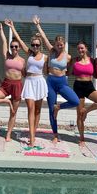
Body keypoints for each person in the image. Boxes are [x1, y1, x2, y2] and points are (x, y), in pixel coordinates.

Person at [33, 15, 79, 143]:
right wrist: (38, 25)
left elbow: (69, 71)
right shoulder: (51, 51)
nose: (60, 46)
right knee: (51, 109)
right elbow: (43, 37)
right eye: (58, 44)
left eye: (62, 45)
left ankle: (60, 107)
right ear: (55, 44)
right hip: (51, 82)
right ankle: (55, 135)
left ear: (64, 45)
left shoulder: (68, 57)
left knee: (75, 101)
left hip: (62, 82)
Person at [4, 19, 48, 147]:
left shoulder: (45, 57)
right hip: (29, 82)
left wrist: (38, 26)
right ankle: (32, 138)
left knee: (38, 110)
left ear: (40, 46)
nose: (35, 47)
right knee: (30, 109)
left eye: (37, 45)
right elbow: (20, 40)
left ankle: (33, 132)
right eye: (33, 45)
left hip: (40, 81)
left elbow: (45, 40)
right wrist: (12, 27)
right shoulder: (29, 53)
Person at [0, 22, 25, 141]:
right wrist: (2, 30)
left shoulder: (23, 60)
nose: (13, 48)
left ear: (19, 48)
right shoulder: (7, 56)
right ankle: (7, 102)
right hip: (6, 84)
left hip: (17, 85)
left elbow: (26, 75)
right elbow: (4, 41)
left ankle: (8, 134)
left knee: (13, 113)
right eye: (12, 46)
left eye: (16, 46)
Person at [68, 41, 97, 147]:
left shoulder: (92, 61)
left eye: (82, 48)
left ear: (86, 48)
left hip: (89, 86)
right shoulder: (74, 60)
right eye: (78, 49)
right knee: (79, 115)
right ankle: (81, 138)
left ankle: (86, 111)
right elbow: (68, 73)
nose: (80, 50)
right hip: (78, 86)